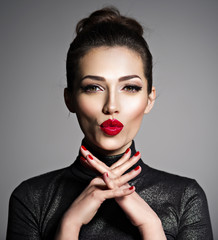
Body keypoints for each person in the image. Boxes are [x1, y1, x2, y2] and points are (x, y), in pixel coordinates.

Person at [6, 7, 213, 240]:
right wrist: (69, 225)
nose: (111, 106)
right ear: (70, 99)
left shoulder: (186, 197)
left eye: (130, 87)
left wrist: (152, 226)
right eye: (93, 87)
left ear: (149, 99)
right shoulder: (31, 199)